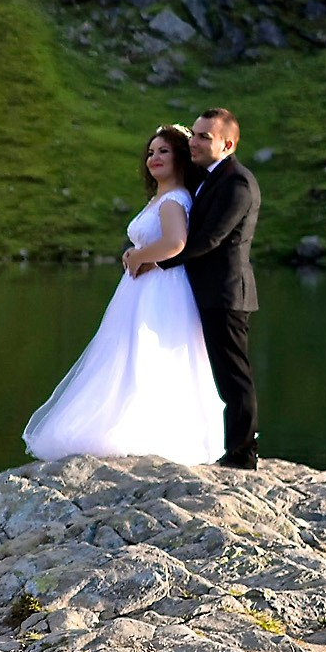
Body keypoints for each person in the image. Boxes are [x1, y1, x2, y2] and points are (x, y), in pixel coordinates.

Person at [22, 125, 226, 465]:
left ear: (180, 157)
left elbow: (176, 243)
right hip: (143, 288)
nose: (154, 158)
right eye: (150, 152)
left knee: (146, 354)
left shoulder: (175, 199)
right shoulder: (160, 198)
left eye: (164, 151)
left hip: (161, 290)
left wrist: (138, 256)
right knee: (128, 354)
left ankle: (146, 430)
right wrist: (139, 256)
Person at [139, 107, 263, 469]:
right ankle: (226, 447)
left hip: (226, 293)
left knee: (233, 375)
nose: (194, 141)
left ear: (228, 143)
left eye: (204, 136)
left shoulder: (237, 182)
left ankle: (243, 454)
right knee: (217, 374)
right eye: (193, 134)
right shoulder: (206, 177)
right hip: (205, 292)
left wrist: (154, 261)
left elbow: (210, 238)